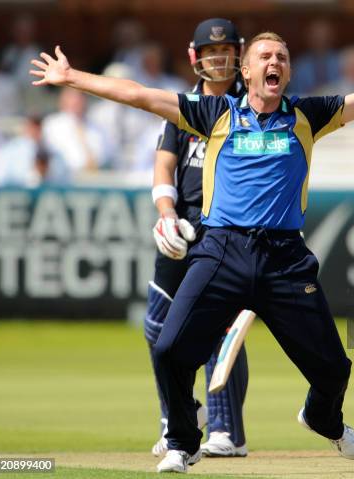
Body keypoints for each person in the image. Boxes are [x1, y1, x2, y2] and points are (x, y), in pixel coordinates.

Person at [30, 33, 354, 474]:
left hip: (284, 258)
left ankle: (323, 419)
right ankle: (182, 445)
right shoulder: (214, 112)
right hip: (221, 251)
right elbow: (139, 95)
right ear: (245, 71)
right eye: (266, 56)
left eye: (283, 57)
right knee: (169, 350)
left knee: (333, 370)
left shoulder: (309, 114)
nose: (275, 63)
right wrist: (71, 77)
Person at [146, 18, 249, 459]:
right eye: (210, 52)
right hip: (183, 226)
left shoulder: (255, 105)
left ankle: (227, 430)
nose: (218, 59)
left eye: (225, 51)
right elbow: (164, 164)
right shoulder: (185, 106)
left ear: (239, 54)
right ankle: (180, 413)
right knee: (156, 322)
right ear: (195, 56)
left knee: (218, 328)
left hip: (228, 227)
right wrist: (166, 214)